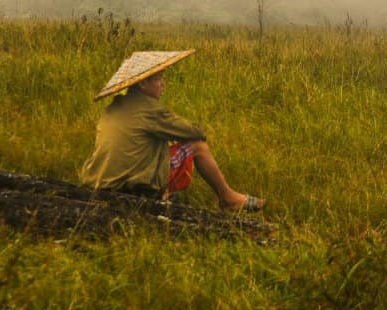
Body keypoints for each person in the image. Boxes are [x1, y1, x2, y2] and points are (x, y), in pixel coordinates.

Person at [80, 50, 265, 212]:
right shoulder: (152, 110)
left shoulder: (112, 108)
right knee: (197, 146)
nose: (163, 84)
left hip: (99, 182)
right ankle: (229, 199)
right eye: (158, 78)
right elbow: (194, 132)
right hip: (131, 187)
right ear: (142, 85)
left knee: (158, 148)